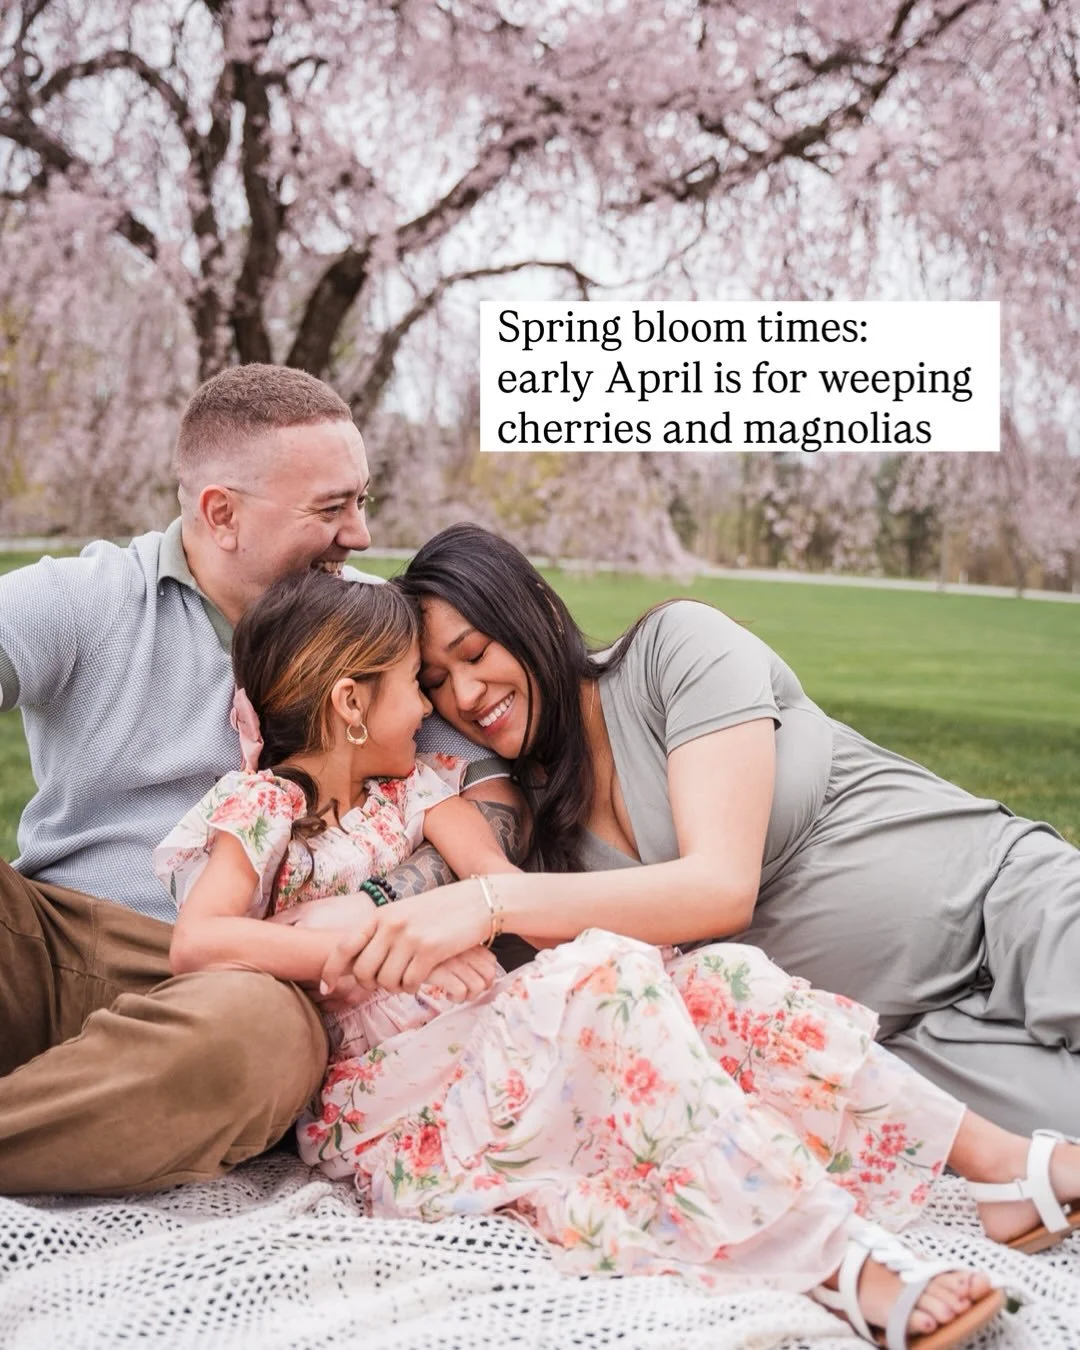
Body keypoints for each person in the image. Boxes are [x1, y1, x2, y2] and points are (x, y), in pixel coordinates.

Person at [151, 565, 1028, 1350]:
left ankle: (997, 1166)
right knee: (604, 974)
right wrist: (372, 950)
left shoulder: (419, 793)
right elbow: (201, 939)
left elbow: (506, 894)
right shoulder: (260, 809)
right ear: (351, 704)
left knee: (718, 975)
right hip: (402, 1102)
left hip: (498, 1041)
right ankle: (833, 1260)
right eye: (412, 688)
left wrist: (470, 936)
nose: (433, 710)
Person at [0, 367, 520, 1196]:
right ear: (220, 513)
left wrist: (382, 906)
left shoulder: (368, 629)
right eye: (330, 508)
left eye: (361, 500)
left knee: (266, 1039)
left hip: (239, 984)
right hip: (46, 938)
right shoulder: (87, 599)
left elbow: (493, 797)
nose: (358, 533)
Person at [387, 524, 1080, 1141]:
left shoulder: (675, 648)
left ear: (534, 609)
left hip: (1006, 905)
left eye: (476, 653)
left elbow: (720, 887)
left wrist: (490, 900)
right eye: (439, 682)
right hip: (917, 1046)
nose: (468, 696)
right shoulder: (543, 845)